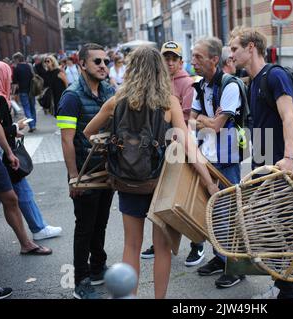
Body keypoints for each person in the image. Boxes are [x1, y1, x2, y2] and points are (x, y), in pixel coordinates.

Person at [83, 45, 220, 298]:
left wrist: (116, 144)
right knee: (162, 247)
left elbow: (88, 132)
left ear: (132, 70)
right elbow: (189, 147)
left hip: (127, 181)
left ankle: (129, 296)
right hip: (160, 184)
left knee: (131, 246)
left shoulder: (116, 101)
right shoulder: (169, 103)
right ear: (159, 70)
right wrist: (207, 181)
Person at [229, 26, 293, 299]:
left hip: (280, 166)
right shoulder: (254, 81)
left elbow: (289, 117)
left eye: (235, 48)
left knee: (285, 228)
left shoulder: (275, 76)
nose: (231, 54)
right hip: (263, 166)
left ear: (250, 48)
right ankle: (280, 284)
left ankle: (286, 290)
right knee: (270, 227)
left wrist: (290, 159)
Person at [57, 43, 115, 299]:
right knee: (85, 228)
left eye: (105, 61)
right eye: (97, 62)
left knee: (100, 224)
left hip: (107, 172)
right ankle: (80, 281)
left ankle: (98, 266)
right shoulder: (70, 97)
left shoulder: (109, 90)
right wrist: (73, 178)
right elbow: (66, 140)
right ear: (82, 64)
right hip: (84, 174)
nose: (103, 66)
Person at [140, 41, 204, 267]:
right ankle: (160, 242)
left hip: (181, 148)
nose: (169, 62)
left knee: (185, 199)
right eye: (166, 58)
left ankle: (197, 244)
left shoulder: (188, 83)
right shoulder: (157, 83)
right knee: (160, 200)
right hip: (161, 152)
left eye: (174, 58)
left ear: (181, 61)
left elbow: (187, 119)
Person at [189, 37, 246, 289]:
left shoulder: (230, 85)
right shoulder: (200, 86)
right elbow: (191, 121)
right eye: (192, 57)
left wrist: (203, 119)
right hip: (208, 157)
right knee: (211, 214)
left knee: (229, 215)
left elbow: (217, 125)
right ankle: (220, 257)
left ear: (214, 60)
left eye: (198, 57)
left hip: (227, 160)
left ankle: (236, 267)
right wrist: (204, 119)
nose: (193, 62)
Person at [0, 62, 62, 241]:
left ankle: (38, 227)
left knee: (7, 194)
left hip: (1, 155)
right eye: (7, 74)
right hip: (3, 155)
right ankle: (38, 228)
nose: (10, 78)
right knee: (20, 192)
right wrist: (17, 126)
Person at [12, 52, 36, 132]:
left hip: (23, 91)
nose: (14, 61)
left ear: (17, 59)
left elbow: (15, 83)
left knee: (26, 108)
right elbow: (33, 77)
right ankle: (34, 124)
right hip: (31, 90)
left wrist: (13, 93)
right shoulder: (29, 66)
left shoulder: (16, 68)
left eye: (14, 59)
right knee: (32, 108)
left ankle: (31, 125)